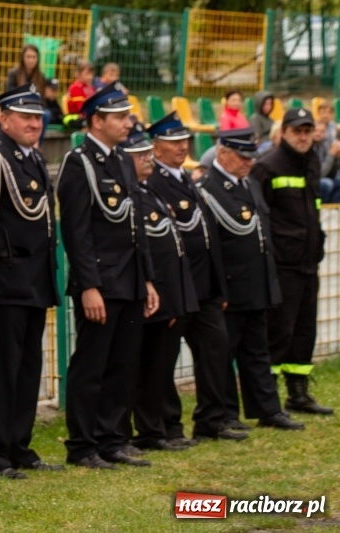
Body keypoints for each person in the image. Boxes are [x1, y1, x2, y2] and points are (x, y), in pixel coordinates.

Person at [57, 83, 159, 469]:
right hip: (101, 282)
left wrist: (147, 279)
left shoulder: (119, 159)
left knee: (123, 363)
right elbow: (77, 232)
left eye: (128, 115)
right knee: (92, 365)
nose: (128, 123)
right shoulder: (78, 162)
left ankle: (112, 438)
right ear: (96, 120)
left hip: (129, 280)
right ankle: (83, 445)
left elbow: (135, 226)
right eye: (119, 117)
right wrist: (89, 286)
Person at [0, 83, 62, 479]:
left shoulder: (31, 159)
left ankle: (19, 445)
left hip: (34, 281)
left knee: (28, 368)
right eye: (25, 117)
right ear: (3, 119)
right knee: (1, 371)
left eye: (37, 118)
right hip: (5, 282)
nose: (33, 124)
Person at [146, 112, 245, 442]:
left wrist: (219, 285)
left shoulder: (185, 177)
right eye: (173, 142)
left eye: (184, 140)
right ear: (156, 147)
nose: (181, 146)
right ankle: (168, 426)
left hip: (204, 288)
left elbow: (207, 235)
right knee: (163, 361)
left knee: (215, 352)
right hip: (176, 288)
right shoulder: (153, 181)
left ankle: (212, 420)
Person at [199, 129, 304, 431]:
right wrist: (219, 288)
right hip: (231, 284)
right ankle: (227, 412)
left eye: (251, 157)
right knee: (225, 352)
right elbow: (213, 245)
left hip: (256, 282)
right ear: (222, 153)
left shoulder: (251, 185)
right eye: (243, 157)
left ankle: (267, 409)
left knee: (258, 350)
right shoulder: (208, 188)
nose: (249, 163)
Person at [120, 119, 199, 453]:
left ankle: (160, 428)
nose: (147, 161)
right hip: (153, 295)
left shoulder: (147, 192)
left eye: (147, 156)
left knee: (160, 367)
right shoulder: (134, 196)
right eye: (140, 157)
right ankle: (149, 431)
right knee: (146, 369)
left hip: (169, 293)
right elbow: (145, 251)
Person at [250, 108, 334, 415]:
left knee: (303, 331)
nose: (302, 136)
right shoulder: (267, 167)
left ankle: (298, 394)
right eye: (297, 130)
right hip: (281, 265)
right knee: (278, 331)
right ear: (283, 132)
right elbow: (259, 219)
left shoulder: (311, 161)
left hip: (308, 262)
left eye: (307, 131)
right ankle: (267, 399)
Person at [63, 60, 95, 129]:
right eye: (87, 74)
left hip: (87, 116)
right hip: (75, 117)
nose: (90, 77)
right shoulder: (75, 87)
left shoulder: (91, 88)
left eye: (92, 74)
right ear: (78, 74)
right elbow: (80, 108)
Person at [313, 121, 340, 203]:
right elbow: (320, 174)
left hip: (323, 179)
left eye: (322, 131)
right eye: (316, 130)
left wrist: (337, 159)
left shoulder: (324, 145)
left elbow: (331, 174)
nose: (318, 134)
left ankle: (333, 211)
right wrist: (331, 155)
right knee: (327, 183)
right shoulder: (308, 146)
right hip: (311, 180)